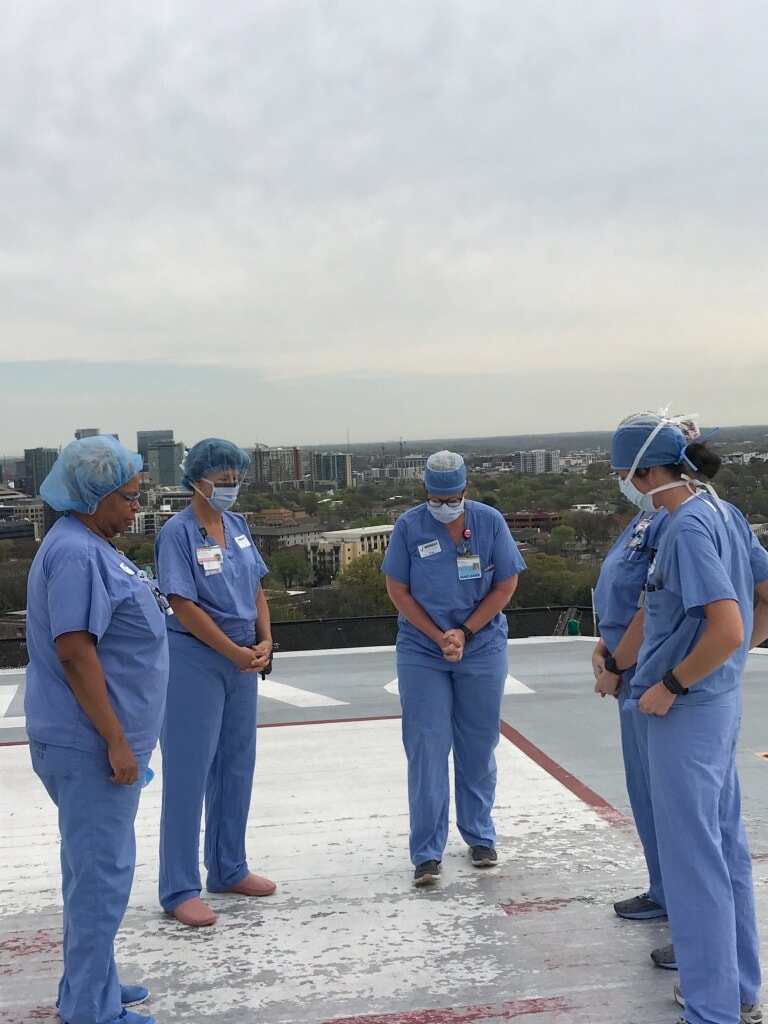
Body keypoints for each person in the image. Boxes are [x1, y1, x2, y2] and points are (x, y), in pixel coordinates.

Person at [610, 415, 768, 1024]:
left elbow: (725, 627)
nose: (625, 484)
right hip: (716, 706)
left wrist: (676, 681)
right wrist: (724, 668)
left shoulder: (686, 526)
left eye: (625, 475)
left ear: (647, 473)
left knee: (693, 862)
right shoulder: (722, 512)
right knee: (725, 852)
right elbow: (760, 600)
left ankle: (710, 1009)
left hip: (685, 712)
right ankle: (738, 990)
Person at [25, 436, 169, 1024]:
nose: (137, 508)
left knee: (89, 872)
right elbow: (76, 652)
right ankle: (90, 1010)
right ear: (93, 495)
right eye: (130, 498)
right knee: (101, 882)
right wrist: (116, 740)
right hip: (91, 746)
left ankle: (94, 984)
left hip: (92, 742)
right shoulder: (78, 554)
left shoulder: (90, 544)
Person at [382, 451, 526, 886]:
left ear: (466, 490)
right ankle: (427, 851)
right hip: (422, 649)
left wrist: (463, 631)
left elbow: (505, 583)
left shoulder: (488, 522)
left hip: (480, 644)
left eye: (453, 496)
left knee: (478, 743)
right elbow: (399, 590)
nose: (445, 503)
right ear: (425, 490)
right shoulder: (409, 526)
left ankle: (480, 835)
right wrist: (438, 635)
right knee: (426, 746)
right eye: (437, 496)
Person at [155, 438, 275, 927]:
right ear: (197, 481)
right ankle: (179, 887)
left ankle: (228, 866)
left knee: (236, 765)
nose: (230, 488)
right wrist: (234, 652)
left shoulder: (239, 527)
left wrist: (266, 641)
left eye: (235, 480)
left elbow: (256, 589)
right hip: (196, 658)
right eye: (222, 481)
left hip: (244, 657)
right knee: (188, 772)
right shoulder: (177, 534)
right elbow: (182, 603)